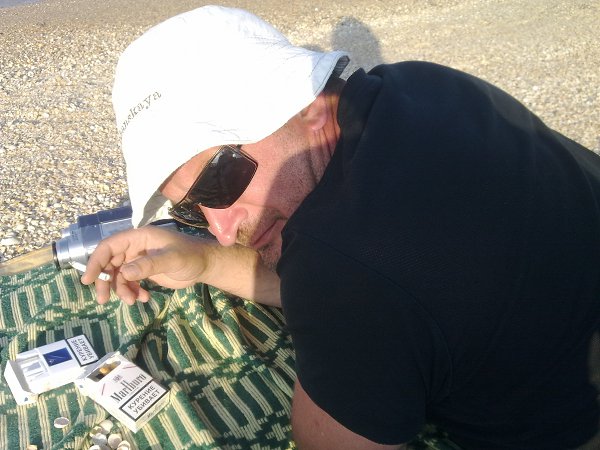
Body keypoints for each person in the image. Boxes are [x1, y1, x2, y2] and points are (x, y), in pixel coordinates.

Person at [81, 5, 600, 449]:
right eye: (193, 210)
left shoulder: (343, 266)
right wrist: (202, 260)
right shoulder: (418, 84)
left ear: (304, 105)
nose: (219, 228)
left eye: (218, 181)